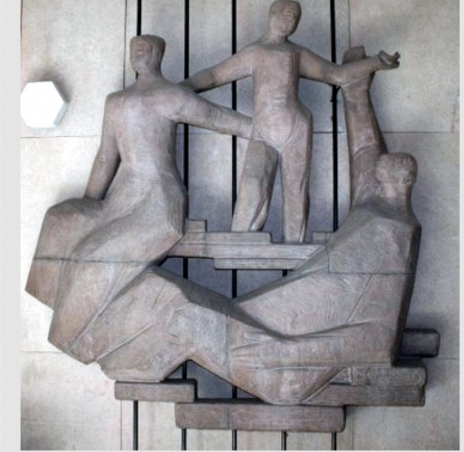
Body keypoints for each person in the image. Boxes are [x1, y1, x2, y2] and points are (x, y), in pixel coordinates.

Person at [68, 46, 421, 407]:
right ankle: (114, 340)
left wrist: (288, 350)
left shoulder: (389, 229)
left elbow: (374, 335)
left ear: (397, 181)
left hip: (286, 350)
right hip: (283, 323)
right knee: (179, 304)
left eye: (387, 170)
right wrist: (356, 92)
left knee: (181, 310)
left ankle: (116, 344)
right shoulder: (379, 208)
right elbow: (365, 152)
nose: (379, 170)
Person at [25, 35, 252, 360]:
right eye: (134, 50)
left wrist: (258, 129)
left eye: (144, 49)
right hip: (123, 198)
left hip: (158, 200)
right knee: (61, 219)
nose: (137, 54)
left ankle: (77, 339)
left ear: (159, 54)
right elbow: (106, 157)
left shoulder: (170, 95)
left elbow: (215, 117)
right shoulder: (116, 102)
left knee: (92, 258)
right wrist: (90, 201)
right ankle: (63, 311)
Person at [183, 0, 401, 243]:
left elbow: (335, 74)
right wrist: (183, 88)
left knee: (296, 190)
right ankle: (238, 244)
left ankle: (293, 244)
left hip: (296, 127)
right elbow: (214, 75)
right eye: (287, 15)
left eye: (295, 18)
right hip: (263, 130)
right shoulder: (255, 52)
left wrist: (376, 62)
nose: (291, 21)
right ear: (272, 14)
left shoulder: (295, 53)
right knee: (253, 186)